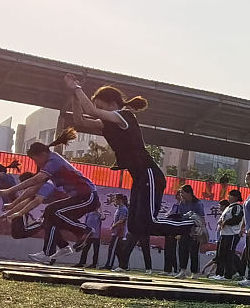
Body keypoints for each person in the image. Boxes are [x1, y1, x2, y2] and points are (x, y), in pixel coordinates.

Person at [64, 78, 195, 269]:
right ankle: (181, 224)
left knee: (149, 221)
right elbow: (80, 121)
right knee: (135, 226)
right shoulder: (107, 123)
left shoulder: (123, 116)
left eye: (101, 106)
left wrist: (76, 87)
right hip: (139, 178)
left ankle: (190, 224)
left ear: (111, 103)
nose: (99, 110)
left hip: (150, 173)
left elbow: (90, 111)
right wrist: (75, 96)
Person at [0, 130, 99, 264]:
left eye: (35, 160)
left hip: (88, 196)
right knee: (49, 215)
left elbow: (34, 181)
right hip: (78, 197)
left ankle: (84, 230)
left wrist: (10, 190)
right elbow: (32, 190)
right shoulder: (48, 163)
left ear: (43, 154)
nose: (37, 163)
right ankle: (60, 247)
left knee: (51, 212)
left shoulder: (53, 161)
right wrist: (12, 205)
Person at [211, 192, 244, 280]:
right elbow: (223, 218)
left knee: (228, 254)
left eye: (231, 196)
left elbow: (237, 219)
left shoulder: (237, 207)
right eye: (229, 195)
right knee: (221, 254)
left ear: (236, 197)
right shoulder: (228, 208)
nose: (229, 197)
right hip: (224, 234)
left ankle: (228, 274)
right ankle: (219, 274)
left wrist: (225, 222)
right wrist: (220, 222)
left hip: (232, 234)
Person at [105, 193, 129, 271]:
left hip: (119, 232)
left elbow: (122, 220)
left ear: (120, 200)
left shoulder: (123, 209)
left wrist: (114, 226)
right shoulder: (119, 209)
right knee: (118, 250)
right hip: (116, 232)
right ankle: (123, 265)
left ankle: (109, 265)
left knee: (113, 249)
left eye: (115, 199)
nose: (114, 201)